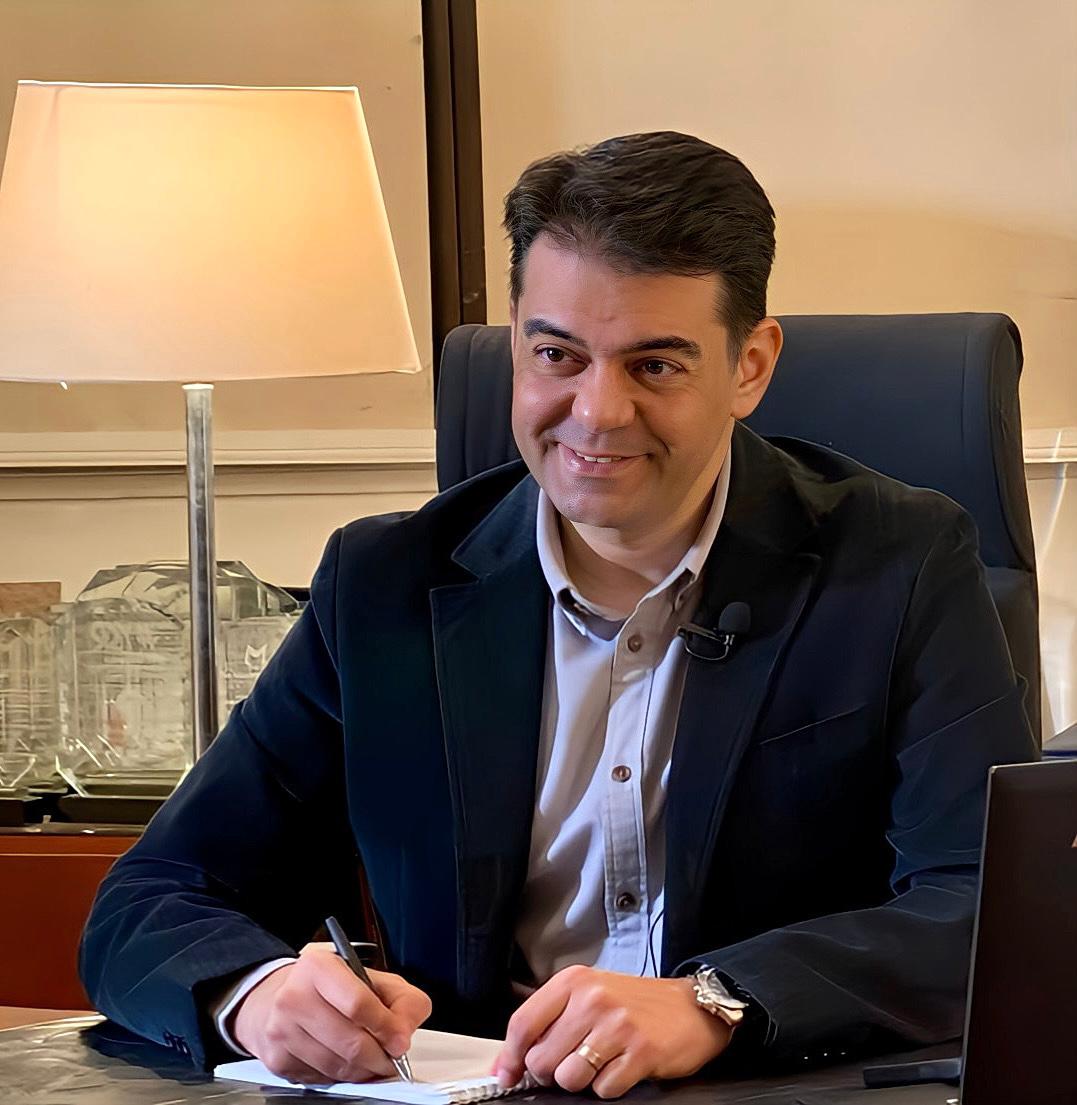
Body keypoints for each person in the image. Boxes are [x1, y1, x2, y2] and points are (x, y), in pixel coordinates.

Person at [80, 131, 1036, 1099]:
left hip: (760, 1086)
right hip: (474, 1087)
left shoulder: (898, 563)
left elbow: (988, 906)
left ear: (749, 365)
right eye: (557, 355)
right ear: (516, 343)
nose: (597, 411)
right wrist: (255, 993)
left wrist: (716, 999)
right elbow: (149, 899)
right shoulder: (383, 585)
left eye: (654, 366)